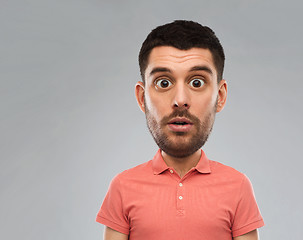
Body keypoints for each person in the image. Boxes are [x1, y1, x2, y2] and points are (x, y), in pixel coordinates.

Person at [96, 20, 264, 240]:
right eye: (163, 83)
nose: (180, 100)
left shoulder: (238, 185)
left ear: (220, 96)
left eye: (197, 82)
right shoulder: (122, 186)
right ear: (141, 97)